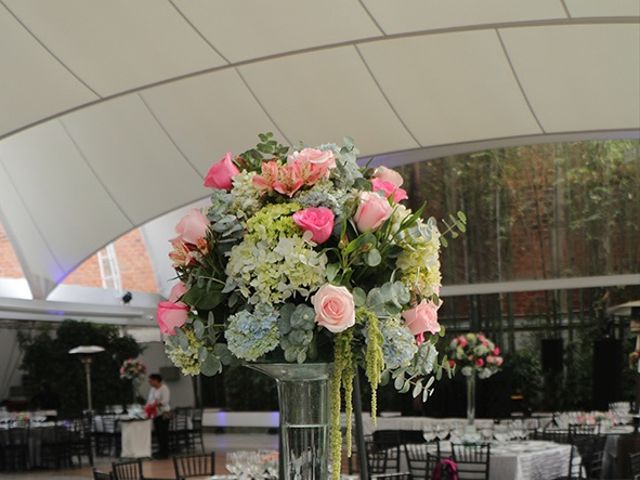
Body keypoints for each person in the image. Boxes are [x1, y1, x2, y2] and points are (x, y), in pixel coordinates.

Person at [146, 373, 171, 458]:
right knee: (158, 434)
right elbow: (150, 400)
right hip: (155, 414)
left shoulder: (164, 388)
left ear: (156, 380)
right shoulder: (152, 389)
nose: (149, 383)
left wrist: (156, 404)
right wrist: (149, 406)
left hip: (163, 414)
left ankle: (165, 453)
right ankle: (160, 451)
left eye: (151, 381)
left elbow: (165, 401)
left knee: (163, 433)